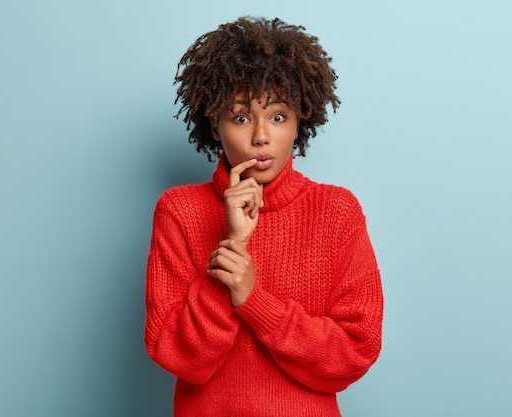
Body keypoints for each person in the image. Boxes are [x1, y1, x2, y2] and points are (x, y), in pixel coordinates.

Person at [145, 16, 384, 416]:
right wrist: (234, 245)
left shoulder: (336, 211)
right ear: (214, 124)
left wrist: (254, 300)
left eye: (277, 116)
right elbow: (177, 355)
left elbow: (355, 352)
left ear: (298, 123)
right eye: (240, 117)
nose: (260, 135)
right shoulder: (179, 210)